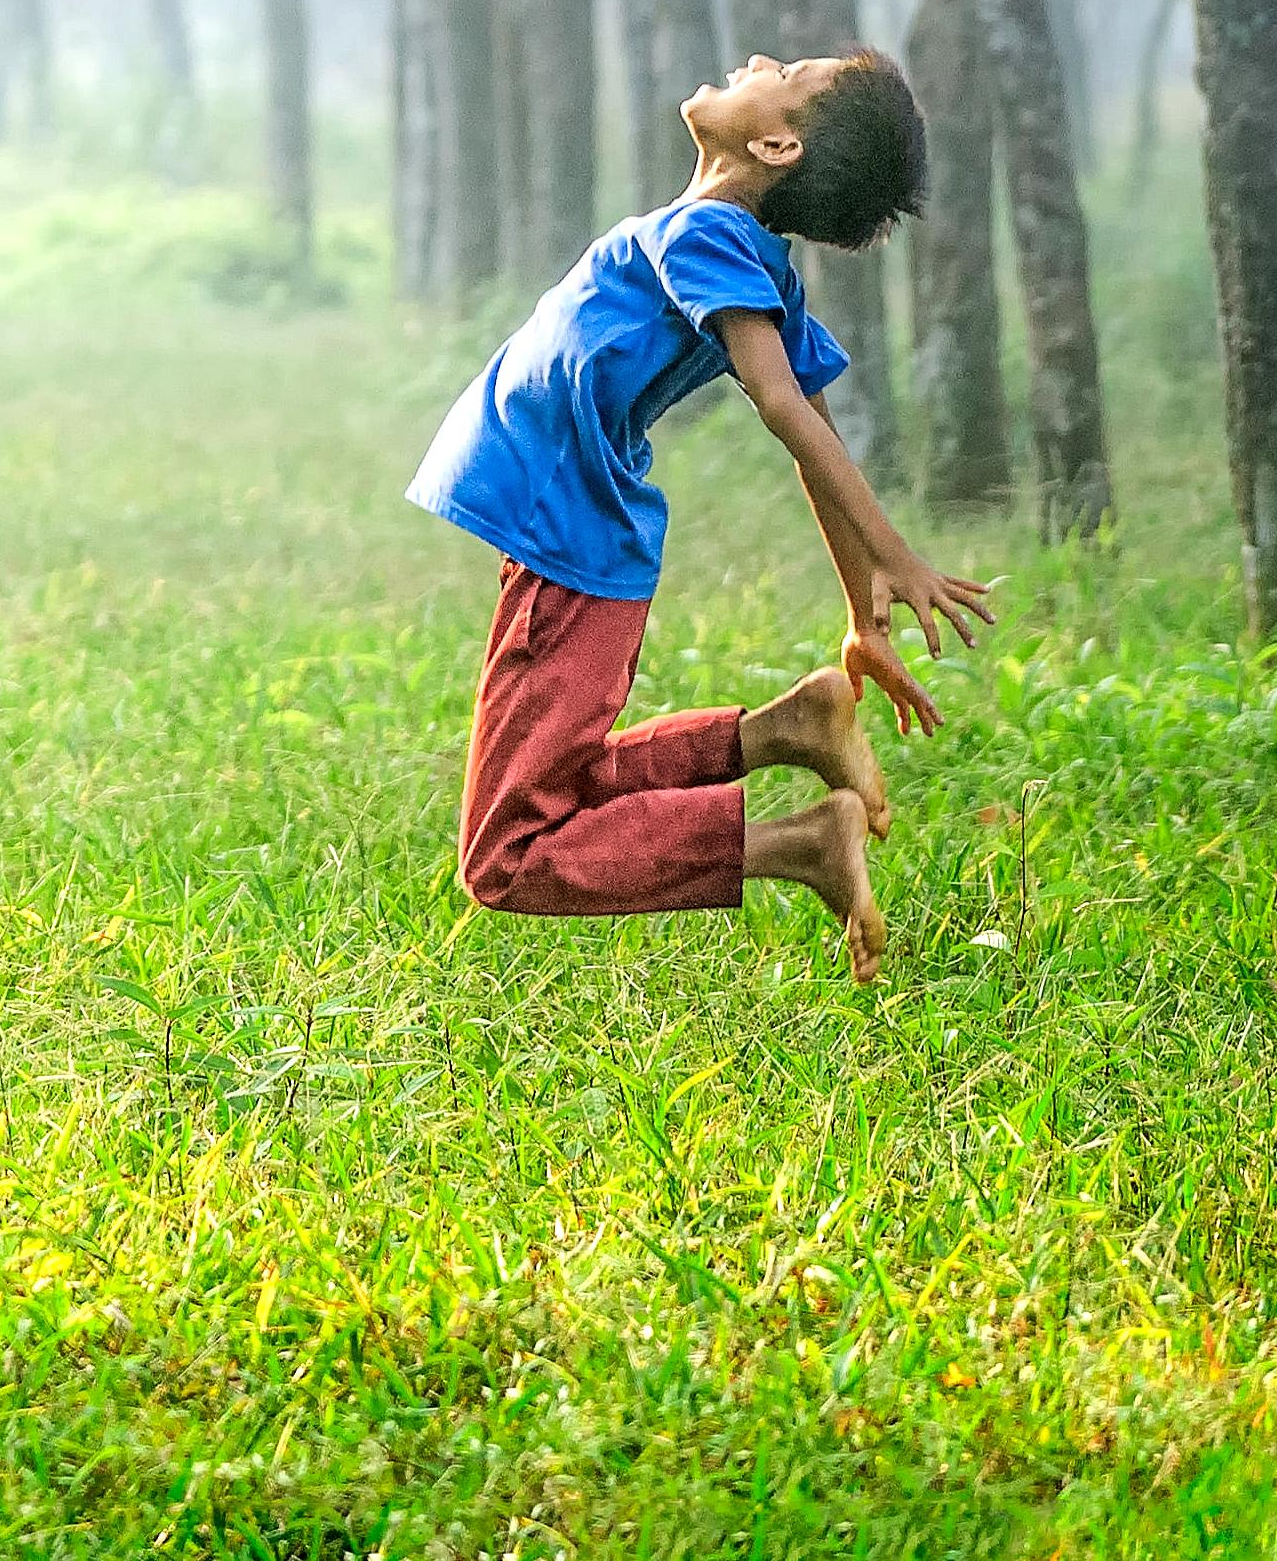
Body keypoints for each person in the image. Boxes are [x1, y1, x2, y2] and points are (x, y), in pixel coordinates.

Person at [410, 49, 992, 980]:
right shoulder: (731, 243)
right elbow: (814, 414)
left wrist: (892, 555)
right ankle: (785, 731)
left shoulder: (714, 234)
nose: (759, 57)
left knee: (508, 852)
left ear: (775, 141)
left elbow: (786, 403)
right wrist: (859, 611)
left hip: (569, 544)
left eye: (788, 70)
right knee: (557, 788)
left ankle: (799, 846)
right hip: (570, 537)